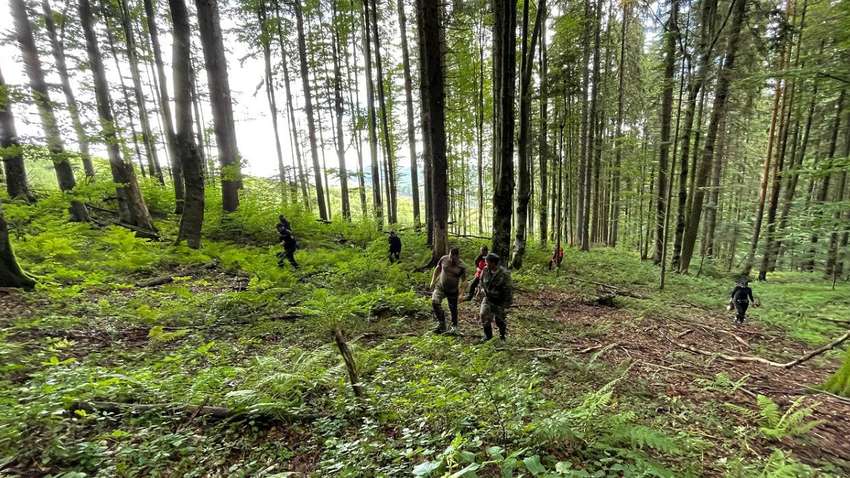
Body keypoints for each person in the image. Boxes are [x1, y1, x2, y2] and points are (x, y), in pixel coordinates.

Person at [429, 247, 467, 333]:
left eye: (453, 257)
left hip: (452, 291)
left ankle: (454, 326)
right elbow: (438, 268)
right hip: (440, 287)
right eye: (450, 256)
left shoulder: (461, 266)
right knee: (435, 301)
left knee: (453, 309)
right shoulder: (444, 259)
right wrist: (433, 281)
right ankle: (442, 324)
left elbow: (464, 281)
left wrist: (461, 294)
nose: (451, 259)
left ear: (457, 256)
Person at [479, 253, 513, 342]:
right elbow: (481, 281)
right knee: (483, 315)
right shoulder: (485, 270)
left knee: (500, 321)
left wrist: (506, 305)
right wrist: (481, 289)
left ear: (493, 263)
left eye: (487, 261)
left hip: (500, 301)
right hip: (488, 298)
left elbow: (508, 290)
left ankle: (502, 336)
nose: (486, 263)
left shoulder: (504, 274)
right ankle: (488, 336)